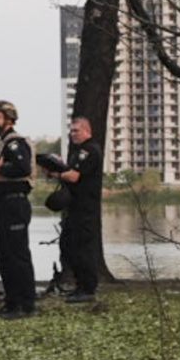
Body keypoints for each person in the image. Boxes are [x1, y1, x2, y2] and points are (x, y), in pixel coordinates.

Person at [0, 100, 37, 317]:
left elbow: (22, 167)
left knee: (17, 255)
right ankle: (11, 301)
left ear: (9, 119)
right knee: (4, 255)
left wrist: (0, 167)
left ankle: (26, 304)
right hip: (3, 204)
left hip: (15, 203)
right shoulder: (3, 143)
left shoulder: (15, 143)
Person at [55, 114, 105, 302]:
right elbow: (70, 173)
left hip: (85, 209)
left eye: (76, 130)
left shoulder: (90, 151)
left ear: (87, 131)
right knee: (69, 246)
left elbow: (74, 176)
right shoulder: (78, 151)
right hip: (74, 207)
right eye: (71, 130)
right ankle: (79, 285)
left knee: (84, 248)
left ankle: (87, 288)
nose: (72, 134)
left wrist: (58, 173)